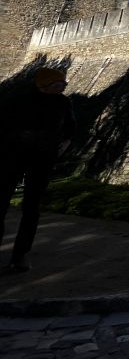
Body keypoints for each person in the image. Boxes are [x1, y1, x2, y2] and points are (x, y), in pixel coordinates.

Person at [0, 67, 76, 272]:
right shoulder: (18, 101)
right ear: (44, 85)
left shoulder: (64, 103)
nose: (61, 88)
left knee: (32, 208)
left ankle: (21, 254)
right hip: (13, 156)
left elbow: (71, 128)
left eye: (63, 85)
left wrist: (65, 143)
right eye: (57, 85)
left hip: (43, 159)